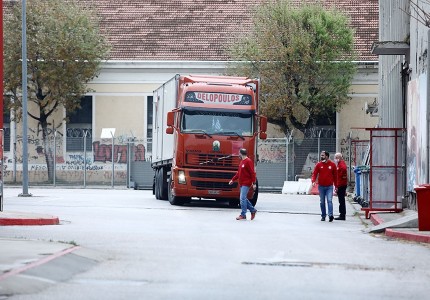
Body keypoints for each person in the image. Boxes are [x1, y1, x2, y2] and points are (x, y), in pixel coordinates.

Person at [229, 148, 257, 220]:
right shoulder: (242, 162)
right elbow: (238, 173)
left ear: (241, 154)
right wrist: (233, 179)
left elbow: (252, 173)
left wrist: (254, 183)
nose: (238, 155)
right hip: (241, 183)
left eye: (239, 153)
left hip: (246, 183)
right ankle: (253, 210)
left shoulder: (248, 161)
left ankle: (243, 214)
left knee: (242, 198)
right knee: (243, 198)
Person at [311, 151, 337, 222]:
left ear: (327, 156)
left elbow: (335, 176)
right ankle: (323, 215)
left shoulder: (332, 165)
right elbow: (314, 174)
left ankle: (330, 215)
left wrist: (336, 186)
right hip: (321, 186)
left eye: (323, 155)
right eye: (321, 155)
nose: (321, 157)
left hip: (329, 186)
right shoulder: (319, 165)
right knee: (322, 202)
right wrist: (313, 181)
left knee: (329, 200)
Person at [334, 152, 348, 220]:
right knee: (341, 200)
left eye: (336, 158)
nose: (335, 159)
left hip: (341, 184)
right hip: (341, 184)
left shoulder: (341, 164)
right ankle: (342, 214)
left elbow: (343, 171)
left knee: (341, 200)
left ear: (339, 158)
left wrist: (338, 185)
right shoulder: (339, 164)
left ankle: (342, 215)